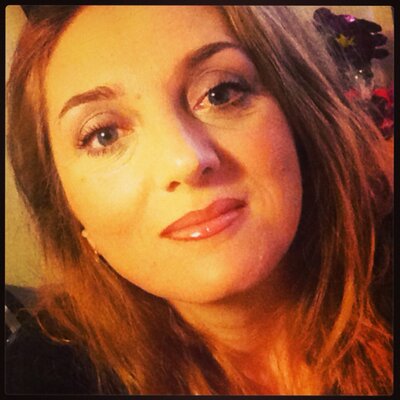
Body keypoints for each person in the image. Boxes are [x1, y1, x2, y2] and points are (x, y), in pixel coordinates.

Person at [6, 5, 393, 395]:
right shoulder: (39, 375)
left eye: (220, 93)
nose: (185, 160)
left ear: (299, 115)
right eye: (104, 135)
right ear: (69, 212)